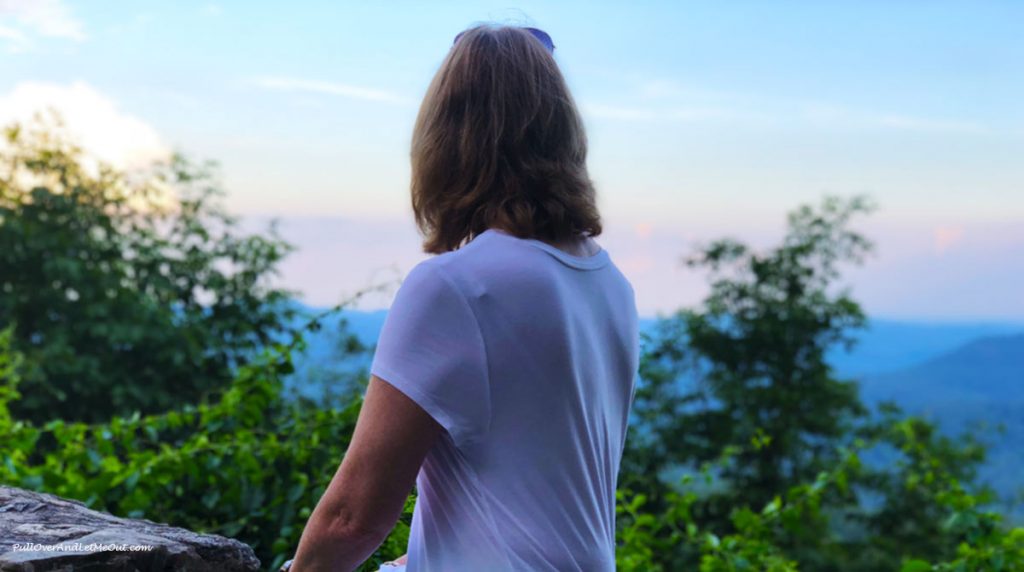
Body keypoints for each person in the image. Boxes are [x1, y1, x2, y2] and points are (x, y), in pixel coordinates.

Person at [286, 23, 639, 572]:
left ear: (447, 139)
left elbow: (353, 517)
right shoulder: (609, 283)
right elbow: (525, 509)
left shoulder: (456, 287)